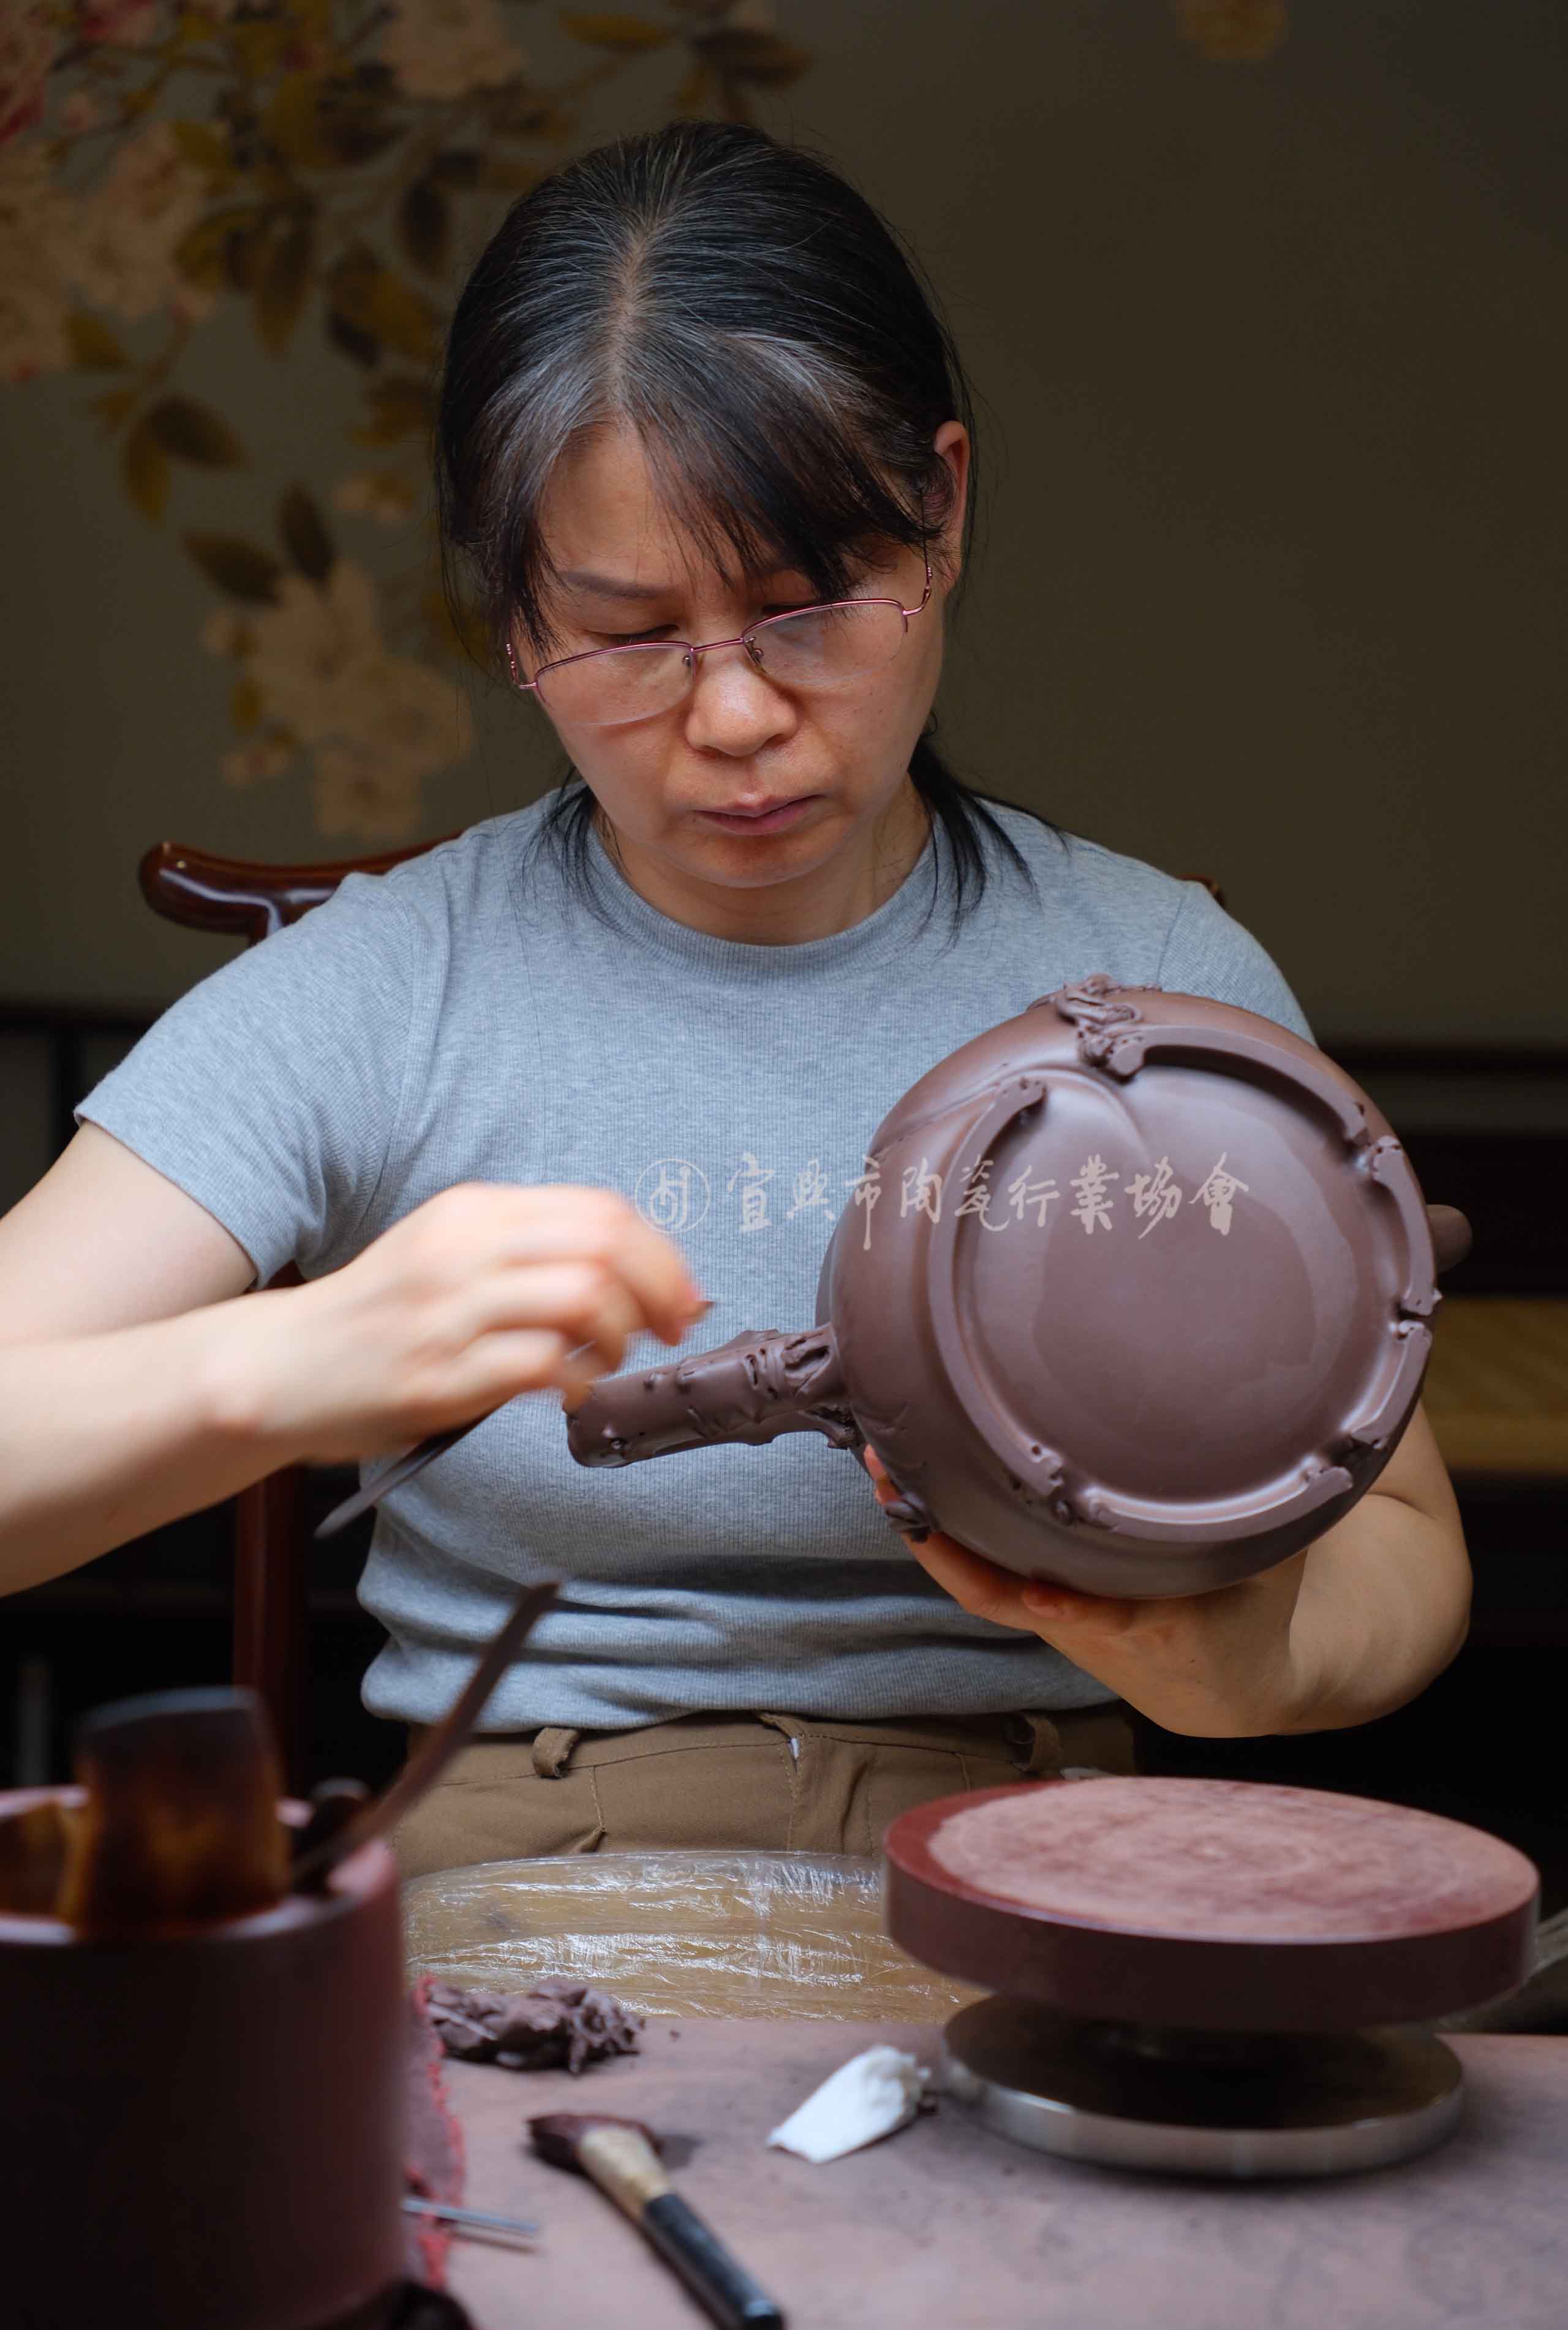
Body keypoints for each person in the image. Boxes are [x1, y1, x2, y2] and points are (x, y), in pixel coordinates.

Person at [0, 123, 1468, 1872]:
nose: (739, 716)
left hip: (1037, 1862)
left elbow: (1402, 1543)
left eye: (811, 601)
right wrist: (307, 1356)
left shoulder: (1161, 995)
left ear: (943, 508)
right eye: (629, 634)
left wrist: (1241, 1667)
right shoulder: (392, 988)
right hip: (530, 1877)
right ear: (512, 612)